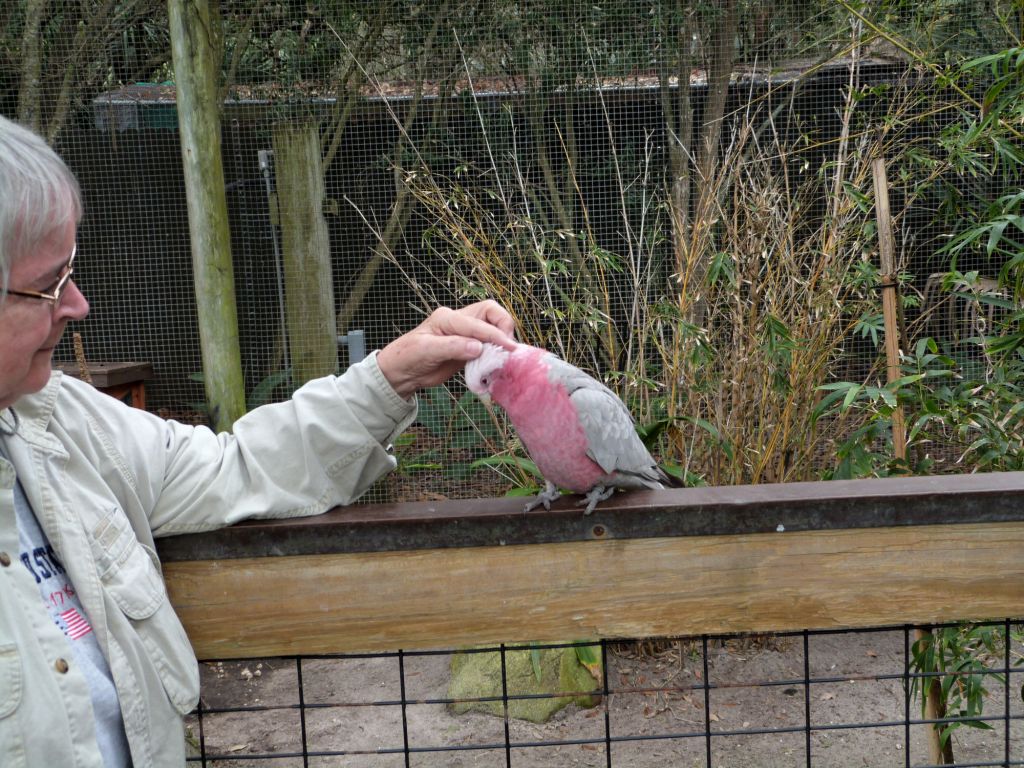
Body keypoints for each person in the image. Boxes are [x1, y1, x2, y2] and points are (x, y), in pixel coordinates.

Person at [0, 114, 516, 767]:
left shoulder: (60, 419)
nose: (78, 304)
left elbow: (234, 469)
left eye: (70, 270)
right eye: (49, 284)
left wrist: (393, 374)